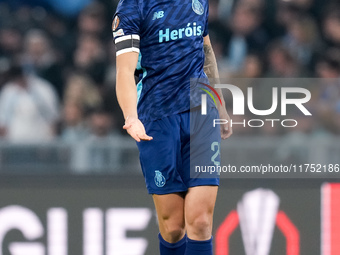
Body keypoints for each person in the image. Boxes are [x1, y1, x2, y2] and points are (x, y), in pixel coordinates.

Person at [113, 0, 232, 254]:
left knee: (200, 221)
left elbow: (205, 47)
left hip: (201, 112)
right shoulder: (133, 7)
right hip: (157, 118)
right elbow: (124, 71)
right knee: (174, 227)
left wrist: (219, 103)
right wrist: (131, 116)